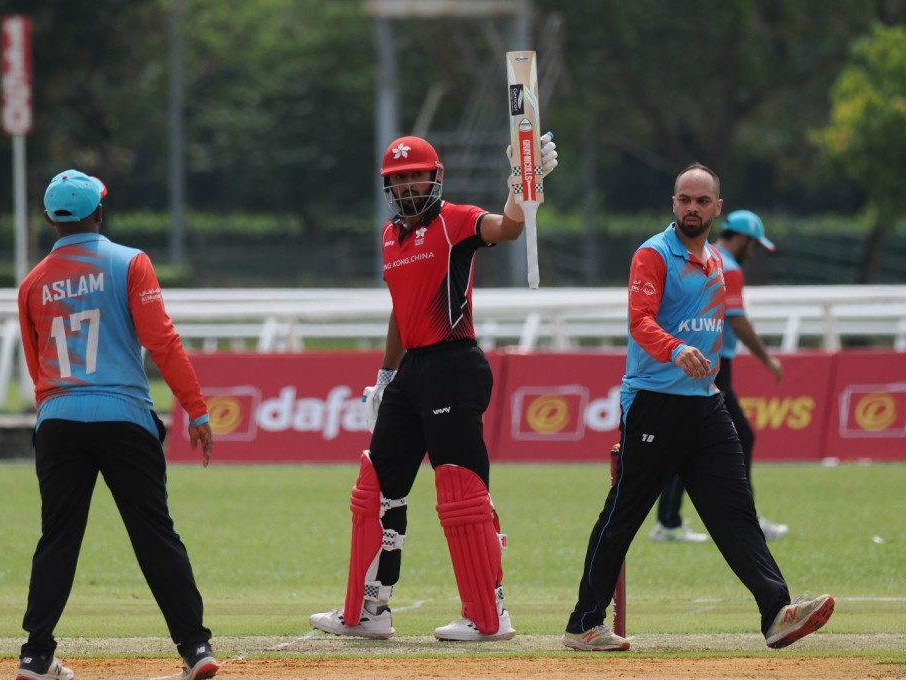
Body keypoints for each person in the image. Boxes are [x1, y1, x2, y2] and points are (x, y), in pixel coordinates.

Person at [562, 163, 833, 652]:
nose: (692, 207)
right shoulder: (653, 254)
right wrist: (675, 350)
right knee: (623, 515)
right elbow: (639, 320)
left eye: (701, 201)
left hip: (706, 407)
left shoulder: (715, 263)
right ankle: (584, 622)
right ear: (674, 204)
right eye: (684, 199)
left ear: (717, 208)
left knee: (736, 513)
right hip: (654, 404)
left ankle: (777, 612)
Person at [309, 133, 558, 642]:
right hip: (412, 373)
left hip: (455, 365)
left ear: (434, 176)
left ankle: (489, 614)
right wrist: (384, 377)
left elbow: (509, 228)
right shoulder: (388, 236)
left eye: (414, 175)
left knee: (462, 495)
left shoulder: (456, 221)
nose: (406, 185)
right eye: (397, 179)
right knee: (377, 489)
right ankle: (369, 609)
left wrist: (523, 184)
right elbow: (402, 313)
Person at [15, 170, 219, 680]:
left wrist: (53, 421)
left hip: (59, 418)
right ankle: (196, 649)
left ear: (48, 219)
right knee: (154, 533)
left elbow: (36, 364)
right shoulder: (130, 262)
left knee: (57, 538)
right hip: (124, 416)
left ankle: (36, 655)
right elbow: (163, 343)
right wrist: (195, 409)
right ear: (100, 212)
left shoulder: (32, 282)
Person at [650, 209, 789, 544]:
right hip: (715, 365)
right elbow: (738, 322)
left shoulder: (704, 257)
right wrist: (767, 360)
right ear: (741, 239)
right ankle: (732, 519)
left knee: (722, 438)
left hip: (696, 360)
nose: (753, 252)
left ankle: (673, 521)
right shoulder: (729, 267)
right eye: (753, 244)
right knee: (718, 440)